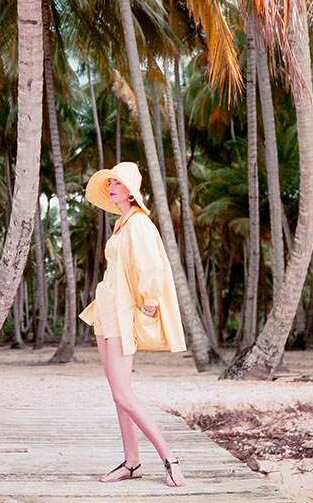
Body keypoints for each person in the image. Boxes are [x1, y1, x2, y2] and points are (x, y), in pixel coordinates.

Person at [79, 161, 187, 487]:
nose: (111, 187)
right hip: (106, 313)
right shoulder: (122, 224)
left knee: (125, 394)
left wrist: (150, 305)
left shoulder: (139, 223)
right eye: (109, 183)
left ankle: (169, 457)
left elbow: (151, 266)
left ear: (131, 190)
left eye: (117, 183)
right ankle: (131, 463)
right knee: (117, 394)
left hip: (123, 317)